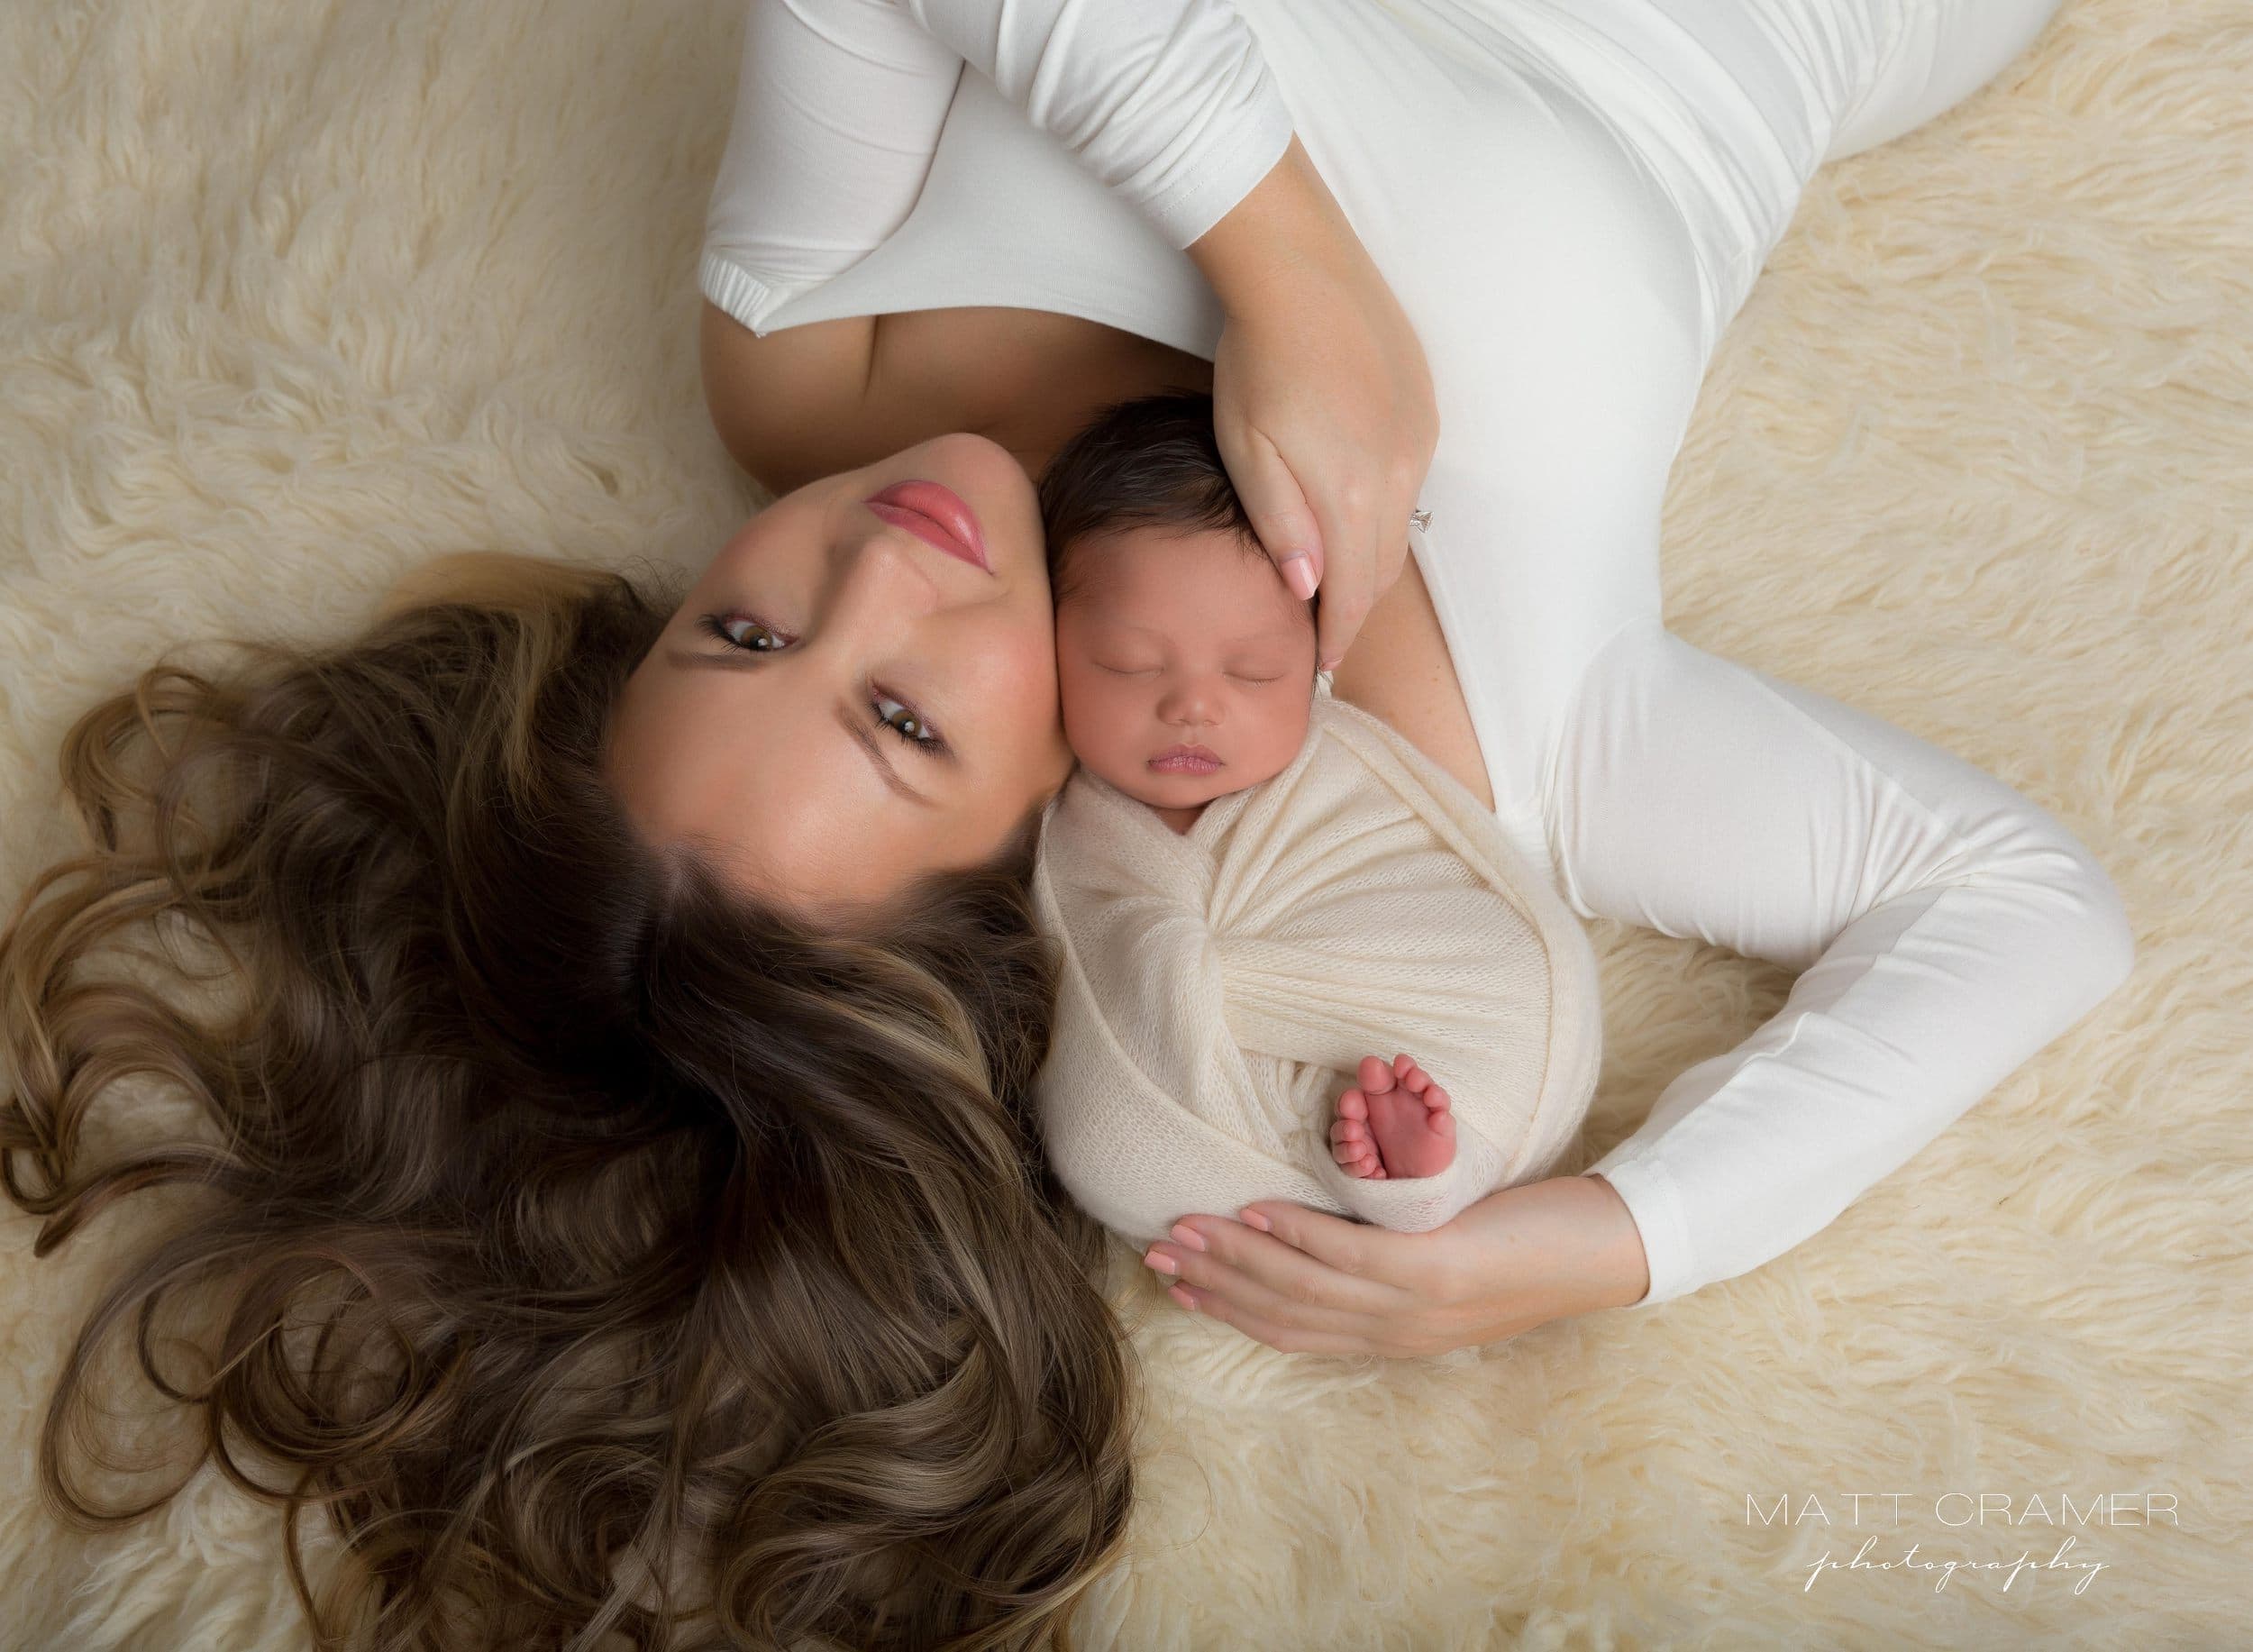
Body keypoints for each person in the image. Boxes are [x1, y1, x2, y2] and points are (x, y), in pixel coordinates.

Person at [1028, 387, 1606, 1246]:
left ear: (1315, 660)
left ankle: (1422, 1169)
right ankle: (1384, 1166)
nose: (1193, 706)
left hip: (1422, 1022)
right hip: (1195, 1134)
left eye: (1255, 671)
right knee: (1105, 1134)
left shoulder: (1337, 768)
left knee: (1518, 1002)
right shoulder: (1066, 825)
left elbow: (1451, 905)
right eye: (1127, 663)